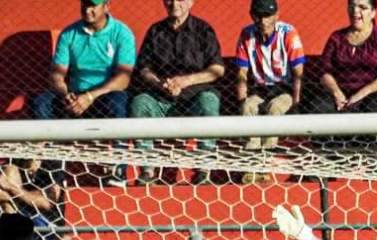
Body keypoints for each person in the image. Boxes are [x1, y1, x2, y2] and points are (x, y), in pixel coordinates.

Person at [31, 0, 135, 185]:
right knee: (41, 102)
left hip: (103, 96)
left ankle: (118, 170)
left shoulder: (122, 33)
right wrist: (66, 94)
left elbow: (123, 78)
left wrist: (90, 97)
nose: (88, 10)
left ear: (106, 6)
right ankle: (52, 170)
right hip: (74, 96)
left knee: (120, 101)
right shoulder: (69, 33)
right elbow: (56, 74)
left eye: (94, 5)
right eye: (85, 4)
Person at [131, 0, 224, 183]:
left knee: (209, 101)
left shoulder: (203, 30)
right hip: (162, 99)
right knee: (140, 102)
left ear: (191, 2)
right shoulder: (155, 31)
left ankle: (204, 171)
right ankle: (147, 172)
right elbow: (143, 68)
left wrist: (186, 81)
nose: (175, 3)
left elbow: (217, 69)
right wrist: (160, 83)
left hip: (194, 99)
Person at [235, 0, 305, 183]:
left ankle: (265, 165)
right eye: (258, 15)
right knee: (248, 107)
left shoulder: (289, 34)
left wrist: (297, 103)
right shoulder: (246, 34)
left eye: (267, 16)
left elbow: (299, 73)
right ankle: (252, 164)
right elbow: (241, 73)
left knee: (274, 109)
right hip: (260, 88)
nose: (263, 21)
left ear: (277, 15)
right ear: (252, 16)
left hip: (285, 89)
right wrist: (242, 99)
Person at [308, 0, 377, 115]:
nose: (355, 11)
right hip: (341, 94)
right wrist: (337, 93)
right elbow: (324, 71)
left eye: (362, 7)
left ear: (373, 12)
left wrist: (359, 95)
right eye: (352, 6)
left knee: (373, 107)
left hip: (375, 94)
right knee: (318, 106)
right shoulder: (336, 38)